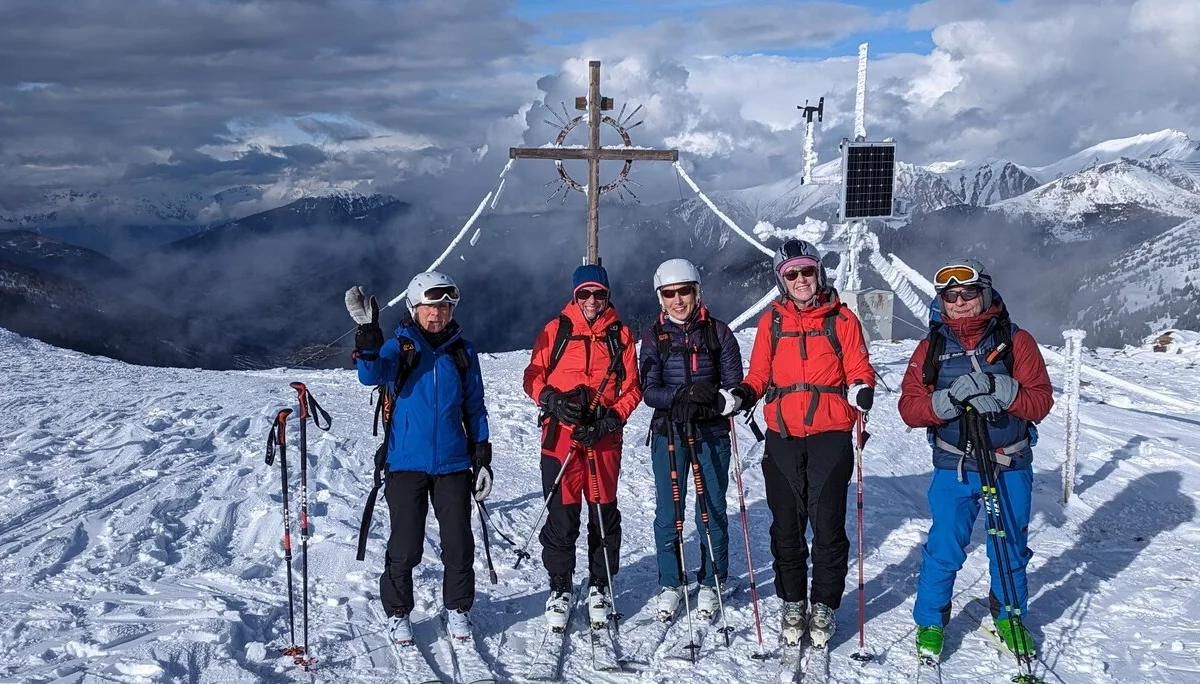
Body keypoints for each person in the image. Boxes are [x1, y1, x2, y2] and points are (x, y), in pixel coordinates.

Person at [898, 259, 1052, 663]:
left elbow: (1040, 401)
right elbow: (910, 409)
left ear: (983, 292)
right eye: (950, 296)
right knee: (945, 543)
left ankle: (1010, 615)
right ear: (941, 302)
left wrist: (1005, 390)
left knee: (1009, 543)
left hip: (1008, 462)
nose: (960, 302)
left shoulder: (1017, 341)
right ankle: (930, 621)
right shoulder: (931, 347)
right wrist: (947, 401)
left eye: (968, 293)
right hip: (955, 464)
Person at [726, 239, 875, 649]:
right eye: (791, 274)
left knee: (827, 526)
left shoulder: (842, 319)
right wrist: (739, 395)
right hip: (784, 437)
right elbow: (759, 375)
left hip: (830, 435)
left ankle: (824, 604)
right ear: (781, 280)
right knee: (786, 527)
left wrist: (862, 389)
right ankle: (793, 601)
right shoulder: (771, 322)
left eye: (806, 271)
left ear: (819, 273)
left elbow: (860, 367)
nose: (801, 280)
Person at [345, 271, 492, 644]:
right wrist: (367, 338)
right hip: (405, 462)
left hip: (454, 463)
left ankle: (458, 609)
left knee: (458, 543)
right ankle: (398, 613)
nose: (438, 313)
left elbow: (475, 406)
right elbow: (371, 374)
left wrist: (482, 453)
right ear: (415, 307)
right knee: (405, 544)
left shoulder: (463, 350)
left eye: (445, 306)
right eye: (431, 306)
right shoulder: (401, 347)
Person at [522, 264, 641, 631]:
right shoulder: (556, 331)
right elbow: (532, 376)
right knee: (562, 514)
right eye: (585, 294)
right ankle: (561, 584)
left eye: (599, 294)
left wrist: (611, 419)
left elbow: (633, 389)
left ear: (608, 295)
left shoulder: (620, 337)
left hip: (603, 440)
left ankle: (600, 583)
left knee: (603, 513)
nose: (592, 301)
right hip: (560, 438)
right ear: (575, 296)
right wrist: (553, 401)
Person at [638, 258, 744, 622]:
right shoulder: (654, 336)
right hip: (669, 432)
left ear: (697, 291)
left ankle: (713, 580)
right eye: (670, 294)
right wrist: (681, 397)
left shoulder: (719, 333)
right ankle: (671, 583)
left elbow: (734, 387)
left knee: (710, 508)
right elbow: (649, 390)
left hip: (710, 432)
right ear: (660, 298)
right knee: (669, 511)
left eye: (685, 291)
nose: (678, 300)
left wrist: (713, 400)